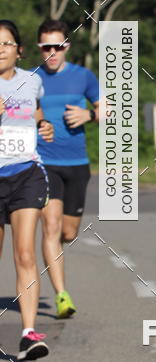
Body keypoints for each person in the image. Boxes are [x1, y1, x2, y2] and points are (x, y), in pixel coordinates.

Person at [35, 19, 100, 318]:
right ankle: (62, 295)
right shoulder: (30, 79)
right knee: (50, 227)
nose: (52, 52)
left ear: (67, 46)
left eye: (58, 46)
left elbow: (108, 109)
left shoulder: (83, 76)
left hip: (77, 164)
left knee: (68, 233)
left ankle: (55, 251)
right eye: (46, 47)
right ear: (39, 48)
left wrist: (89, 115)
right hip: (43, 163)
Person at [0, 20, 54, 360]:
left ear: (19, 50)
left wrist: (43, 125)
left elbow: (35, 111)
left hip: (26, 173)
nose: (0, 50)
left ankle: (28, 335)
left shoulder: (32, 80)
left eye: (6, 44)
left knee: (24, 253)